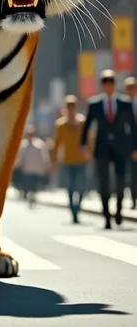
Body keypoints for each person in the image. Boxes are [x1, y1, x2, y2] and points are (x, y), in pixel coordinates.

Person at [81, 69, 137, 229]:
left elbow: (133, 127)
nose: (108, 85)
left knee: (121, 181)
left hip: (121, 147)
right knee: (103, 183)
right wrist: (84, 144)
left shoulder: (125, 103)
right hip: (102, 148)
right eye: (105, 82)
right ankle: (106, 216)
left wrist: (135, 147)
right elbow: (87, 125)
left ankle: (119, 210)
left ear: (114, 84)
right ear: (101, 85)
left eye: (111, 82)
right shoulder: (95, 104)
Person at [51, 95, 88, 223]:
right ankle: (73, 211)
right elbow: (57, 144)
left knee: (82, 187)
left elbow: (89, 140)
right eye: (68, 106)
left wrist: (89, 153)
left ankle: (78, 207)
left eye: (73, 106)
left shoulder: (83, 123)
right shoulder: (60, 125)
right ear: (65, 108)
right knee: (71, 187)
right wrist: (54, 160)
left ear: (76, 107)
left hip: (81, 160)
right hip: (68, 161)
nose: (71, 109)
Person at [16, 125, 51, 207]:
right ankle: (29, 194)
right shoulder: (23, 145)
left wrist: (46, 164)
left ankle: (33, 195)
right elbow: (20, 156)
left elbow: (44, 155)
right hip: (27, 168)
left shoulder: (39, 144)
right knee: (28, 183)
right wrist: (19, 165)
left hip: (36, 167)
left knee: (35, 183)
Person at [124, 76, 137, 209]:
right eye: (128, 88)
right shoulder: (122, 105)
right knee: (132, 174)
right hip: (127, 146)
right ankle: (133, 199)